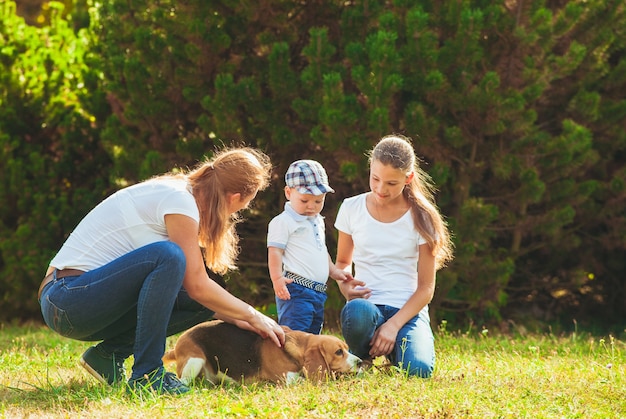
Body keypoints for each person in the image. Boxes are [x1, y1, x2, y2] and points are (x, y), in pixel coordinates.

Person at [38, 147, 285, 395]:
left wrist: (241, 319)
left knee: (200, 301)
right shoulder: (180, 200)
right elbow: (197, 284)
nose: (238, 212)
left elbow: (198, 293)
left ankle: (108, 357)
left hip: (78, 304)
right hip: (66, 298)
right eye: (245, 204)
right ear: (235, 197)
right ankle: (147, 376)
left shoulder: (181, 194)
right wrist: (253, 314)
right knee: (169, 256)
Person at [334, 135, 454, 378]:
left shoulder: (423, 217)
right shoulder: (351, 208)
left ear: (408, 178)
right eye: (375, 179)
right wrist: (345, 288)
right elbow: (343, 263)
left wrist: (393, 325)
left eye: (391, 183)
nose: (380, 189)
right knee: (358, 311)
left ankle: (394, 349)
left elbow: (426, 289)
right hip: (366, 308)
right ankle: (362, 359)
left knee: (418, 371)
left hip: (407, 313)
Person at [267, 160, 352, 334]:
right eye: (305, 200)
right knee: (296, 336)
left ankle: (310, 363)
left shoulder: (317, 220)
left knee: (313, 336)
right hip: (296, 290)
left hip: (318, 292)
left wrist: (334, 271)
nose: (311, 206)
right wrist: (277, 279)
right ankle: (291, 362)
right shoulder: (283, 222)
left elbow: (321, 250)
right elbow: (275, 251)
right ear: (288, 192)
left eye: (318, 201)